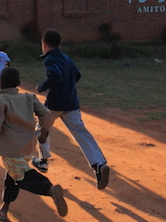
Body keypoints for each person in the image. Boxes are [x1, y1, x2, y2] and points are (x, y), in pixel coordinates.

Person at [0, 68, 67, 222]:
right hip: (28, 147)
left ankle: (50, 189)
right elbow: (46, 115)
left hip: (11, 148)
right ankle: (4, 209)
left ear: (1, 83)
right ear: (18, 83)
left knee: (21, 176)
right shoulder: (29, 98)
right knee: (12, 174)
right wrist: (43, 133)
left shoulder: (0, 100)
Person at [33, 29, 110, 190]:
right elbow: (77, 74)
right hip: (71, 102)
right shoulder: (66, 58)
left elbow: (55, 75)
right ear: (59, 44)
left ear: (44, 44)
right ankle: (98, 164)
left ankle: (43, 161)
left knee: (41, 128)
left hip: (55, 103)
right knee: (81, 132)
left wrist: (42, 87)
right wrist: (67, 87)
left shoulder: (50, 58)